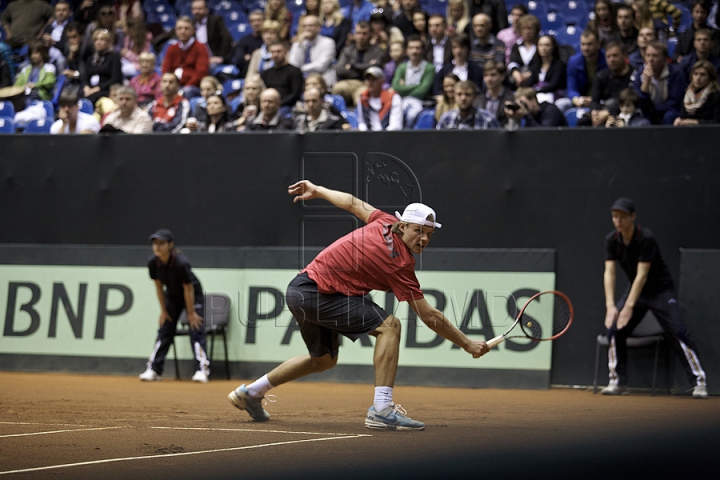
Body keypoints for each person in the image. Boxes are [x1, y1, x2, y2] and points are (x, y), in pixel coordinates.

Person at [227, 180, 490, 428]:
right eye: (418, 231)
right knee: (390, 327)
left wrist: (318, 189)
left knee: (323, 361)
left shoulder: (384, 221)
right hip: (318, 293)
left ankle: (251, 392)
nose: (423, 239)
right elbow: (428, 315)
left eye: (429, 234)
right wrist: (466, 343)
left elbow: (352, 203)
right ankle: (382, 409)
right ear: (403, 225)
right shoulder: (399, 262)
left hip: (301, 289)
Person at [601, 198, 708, 399]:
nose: (618, 220)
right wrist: (610, 306)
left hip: (660, 291)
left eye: (623, 216)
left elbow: (642, 275)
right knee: (615, 330)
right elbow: (610, 272)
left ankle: (699, 382)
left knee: (678, 332)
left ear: (633, 217)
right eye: (615, 216)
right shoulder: (611, 240)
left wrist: (628, 306)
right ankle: (618, 382)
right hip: (636, 291)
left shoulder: (646, 238)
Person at [139, 229, 210, 384]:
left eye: (162, 243)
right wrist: (163, 311)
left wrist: (191, 312)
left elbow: (188, 288)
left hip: (192, 294)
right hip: (172, 296)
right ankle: (154, 370)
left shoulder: (181, 263)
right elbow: (159, 287)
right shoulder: (153, 263)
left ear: (170, 245)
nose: (157, 247)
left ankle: (201, 370)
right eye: (155, 243)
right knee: (165, 329)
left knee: (195, 327)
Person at [579, 41, 635, 127]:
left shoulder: (634, 75)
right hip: (603, 111)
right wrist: (594, 112)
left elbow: (630, 99)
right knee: (583, 121)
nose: (611, 60)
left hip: (625, 111)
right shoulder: (601, 75)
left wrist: (608, 112)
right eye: (608, 57)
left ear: (625, 55)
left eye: (615, 55)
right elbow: (595, 100)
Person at [333, 21, 386, 107]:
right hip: (347, 82)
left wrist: (352, 66)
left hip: (365, 84)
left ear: (370, 34)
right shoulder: (347, 50)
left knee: (361, 98)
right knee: (337, 89)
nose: (361, 37)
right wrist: (364, 70)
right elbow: (339, 70)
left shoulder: (377, 51)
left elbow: (375, 69)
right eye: (358, 33)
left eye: (364, 34)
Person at [632, 40, 684, 124]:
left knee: (670, 116)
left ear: (664, 59)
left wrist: (654, 110)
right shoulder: (639, 74)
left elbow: (675, 102)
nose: (650, 59)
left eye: (655, 56)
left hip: (668, 110)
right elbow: (639, 102)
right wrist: (646, 82)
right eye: (648, 55)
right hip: (647, 111)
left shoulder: (675, 73)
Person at [392, 35, 435, 128]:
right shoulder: (401, 67)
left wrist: (404, 88)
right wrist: (417, 85)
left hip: (420, 102)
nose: (414, 51)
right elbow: (396, 87)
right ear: (406, 51)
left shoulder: (429, 68)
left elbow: (423, 90)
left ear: (423, 50)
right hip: (402, 101)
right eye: (411, 48)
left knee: (412, 114)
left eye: (417, 48)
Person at [161, 16, 210, 98]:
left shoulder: (200, 48)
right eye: (180, 28)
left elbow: (201, 73)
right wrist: (170, 85)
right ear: (176, 31)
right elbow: (166, 70)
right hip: (173, 85)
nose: (183, 31)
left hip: (192, 86)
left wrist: (183, 88)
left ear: (193, 30)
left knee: (186, 92)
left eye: (186, 28)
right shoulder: (172, 48)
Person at [288, 15, 337, 88]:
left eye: (311, 26)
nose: (307, 28)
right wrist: (299, 44)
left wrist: (299, 69)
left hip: (322, 81)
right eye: (305, 26)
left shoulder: (328, 42)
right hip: (301, 82)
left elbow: (321, 66)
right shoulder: (299, 44)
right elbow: (293, 64)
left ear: (319, 28)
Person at [567, 30, 607, 110]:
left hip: (602, 99)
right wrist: (576, 100)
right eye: (583, 44)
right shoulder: (573, 61)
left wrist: (594, 99)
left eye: (589, 44)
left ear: (598, 44)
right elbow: (571, 87)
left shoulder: (607, 59)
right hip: (581, 99)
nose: (586, 48)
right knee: (562, 104)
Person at [82, 28, 123, 104]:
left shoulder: (114, 57)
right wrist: (86, 86)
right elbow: (85, 76)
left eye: (101, 40)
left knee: (91, 98)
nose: (98, 42)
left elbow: (115, 78)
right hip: (90, 89)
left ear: (108, 42)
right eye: (96, 40)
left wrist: (98, 88)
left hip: (105, 90)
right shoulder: (91, 58)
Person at [674, 60, 720, 125]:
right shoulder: (688, 94)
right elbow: (683, 117)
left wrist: (696, 122)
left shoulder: (716, 96)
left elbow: (717, 122)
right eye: (695, 74)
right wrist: (679, 120)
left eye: (702, 75)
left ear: (710, 77)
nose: (698, 78)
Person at [356, 66, 403, 131]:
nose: (370, 82)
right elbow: (362, 122)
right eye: (368, 79)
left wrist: (381, 137)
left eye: (374, 79)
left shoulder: (393, 98)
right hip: (369, 136)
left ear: (382, 81)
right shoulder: (363, 98)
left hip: (388, 136)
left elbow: (395, 126)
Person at [261, 41, 304, 109]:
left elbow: (295, 94)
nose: (275, 55)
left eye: (278, 52)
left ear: (285, 52)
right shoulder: (266, 73)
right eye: (273, 52)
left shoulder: (295, 71)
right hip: (268, 106)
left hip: (287, 106)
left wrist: (278, 104)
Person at [530, 35, 568, 110]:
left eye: (547, 45)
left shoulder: (559, 64)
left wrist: (536, 90)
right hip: (538, 95)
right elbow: (530, 82)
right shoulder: (535, 64)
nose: (543, 48)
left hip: (556, 96)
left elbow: (554, 85)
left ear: (553, 47)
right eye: (540, 45)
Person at [13, 40, 56, 105]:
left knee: (28, 101)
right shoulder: (26, 69)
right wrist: (23, 87)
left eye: (36, 53)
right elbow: (17, 85)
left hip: (40, 96)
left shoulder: (49, 68)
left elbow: (49, 83)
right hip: (24, 94)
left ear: (42, 53)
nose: (33, 56)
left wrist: (35, 85)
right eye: (31, 53)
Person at [191, 0, 232, 66]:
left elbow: (227, 38)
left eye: (200, 9)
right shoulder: (191, 24)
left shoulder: (215, 20)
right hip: (197, 59)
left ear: (206, 9)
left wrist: (221, 57)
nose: (197, 11)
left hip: (213, 58)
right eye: (194, 9)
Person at [474, 60, 513, 126]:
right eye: (486, 75)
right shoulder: (478, 99)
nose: (489, 79)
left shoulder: (511, 98)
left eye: (493, 75)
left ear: (502, 76)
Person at [508, 14, 541, 89]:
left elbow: (543, 64)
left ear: (536, 30)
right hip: (518, 81)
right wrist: (516, 74)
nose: (527, 31)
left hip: (536, 81)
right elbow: (513, 62)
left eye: (530, 28)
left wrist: (530, 74)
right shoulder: (516, 45)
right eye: (524, 29)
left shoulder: (541, 45)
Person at [229, 10, 265, 78]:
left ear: (264, 21)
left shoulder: (268, 40)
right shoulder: (244, 40)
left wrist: (250, 57)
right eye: (253, 21)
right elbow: (239, 61)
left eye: (258, 20)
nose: (256, 23)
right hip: (247, 75)